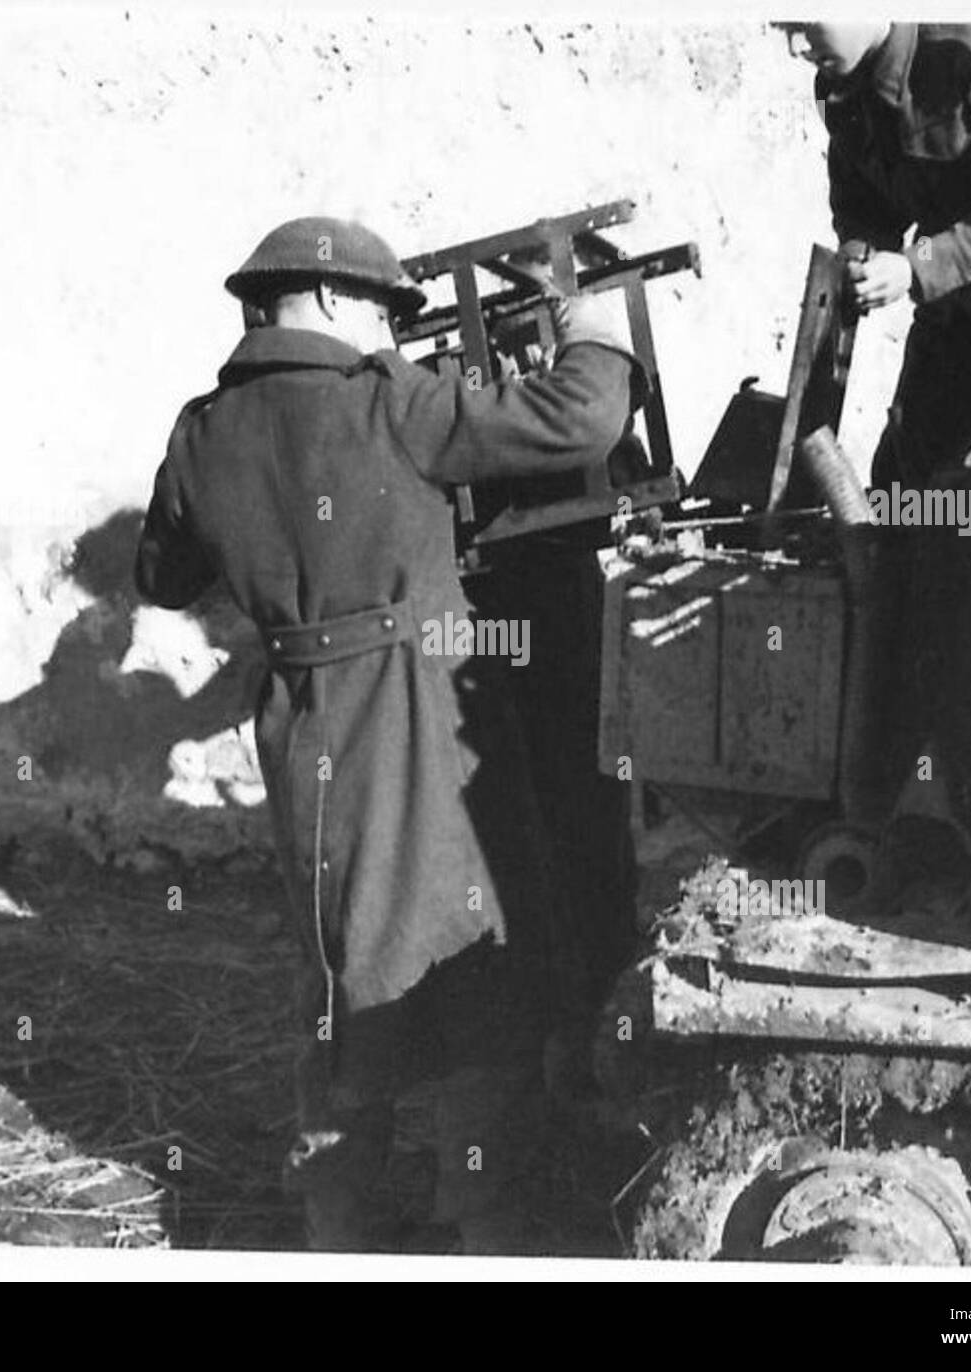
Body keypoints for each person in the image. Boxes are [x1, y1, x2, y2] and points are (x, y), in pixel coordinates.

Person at [134, 216, 647, 1252]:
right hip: (415, 709)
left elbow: (162, 575)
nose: (390, 331)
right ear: (325, 300)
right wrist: (594, 329)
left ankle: (341, 1212)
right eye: (383, 310)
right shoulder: (390, 403)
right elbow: (580, 419)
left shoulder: (199, 428)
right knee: (466, 946)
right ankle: (483, 1210)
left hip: (301, 720)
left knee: (337, 956)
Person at [777, 23, 971, 926]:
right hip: (950, 316)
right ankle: (924, 801)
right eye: (788, 29)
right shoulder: (845, 88)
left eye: (808, 23)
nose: (800, 45)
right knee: (908, 516)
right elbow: (864, 206)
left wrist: (914, 268)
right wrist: (864, 255)